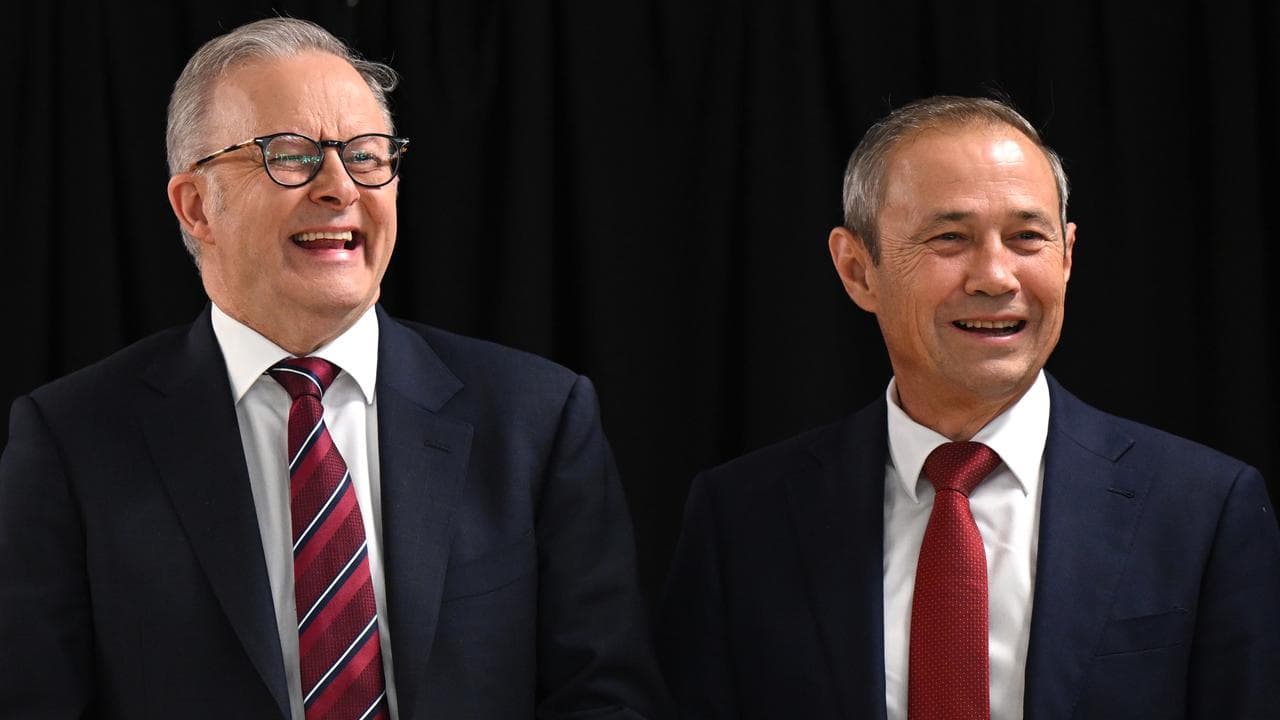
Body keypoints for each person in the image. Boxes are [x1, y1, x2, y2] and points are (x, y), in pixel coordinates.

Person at [0, 17, 667, 720]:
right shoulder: (73, 439)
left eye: (368, 156)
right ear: (196, 206)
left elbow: (605, 698)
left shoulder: (537, 418)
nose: (339, 186)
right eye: (289, 156)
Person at [656, 95, 1280, 719]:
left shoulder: (1203, 509)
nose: (996, 277)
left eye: (1027, 237)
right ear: (857, 269)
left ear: (1067, 255)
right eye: (950, 238)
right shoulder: (740, 517)